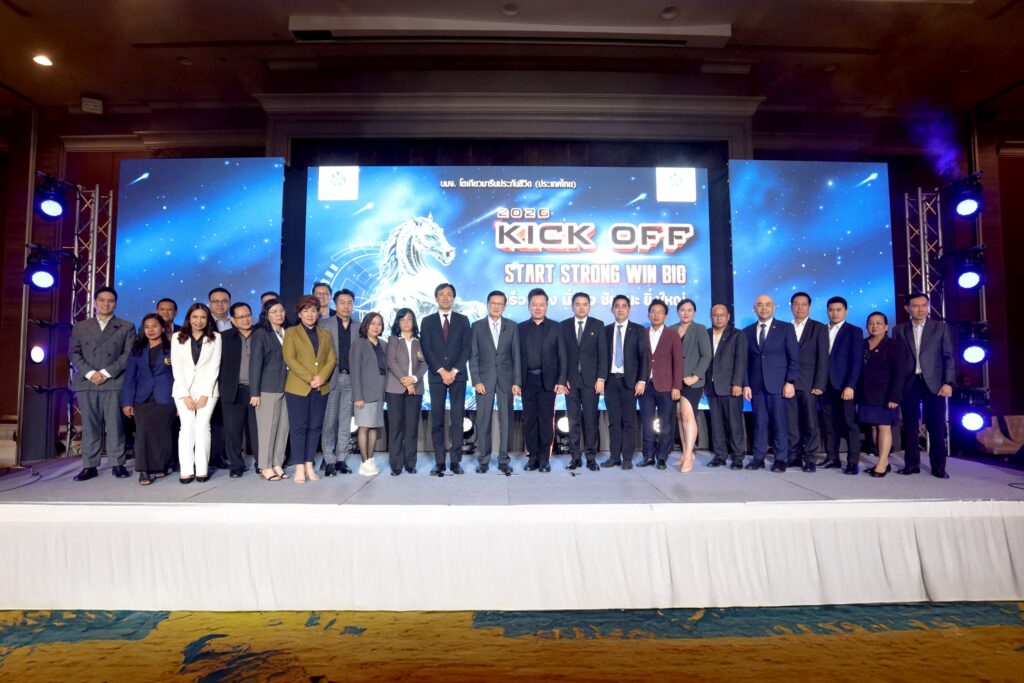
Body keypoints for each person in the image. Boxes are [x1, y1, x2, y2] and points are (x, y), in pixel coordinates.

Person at [69, 286, 135, 481]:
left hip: (113, 381)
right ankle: (89, 465)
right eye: (102, 300)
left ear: (116, 303)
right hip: (87, 381)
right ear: (95, 303)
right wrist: (91, 373)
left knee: (115, 425)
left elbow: (128, 355)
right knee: (90, 425)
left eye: (111, 301)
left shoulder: (126, 326)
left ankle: (117, 464)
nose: (106, 304)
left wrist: (105, 373)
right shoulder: (80, 326)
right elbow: (74, 353)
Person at [893, 292, 955, 478]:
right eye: (915, 306)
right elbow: (897, 360)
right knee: (910, 426)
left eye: (923, 305)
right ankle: (912, 465)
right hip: (909, 382)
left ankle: (939, 467)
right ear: (907, 308)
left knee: (936, 426)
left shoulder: (940, 327)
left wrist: (948, 382)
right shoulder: (899, 330)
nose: (920, 309)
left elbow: (948, 357)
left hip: (934, 383)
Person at [419, 283, 472, 476]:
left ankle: (456, 461)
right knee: (438, 420)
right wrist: (442, 371)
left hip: (458, 376)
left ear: (453, 298)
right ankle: (440, 461)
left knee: (458, 419)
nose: (445, 297)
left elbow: (467, 347)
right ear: (436, 298)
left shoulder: (463, 320)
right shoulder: (427, 321)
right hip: (436, 376)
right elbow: (426, 348)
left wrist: (454, 371)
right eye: (441, 294)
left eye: (449, 294)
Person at [742, 294, 799, 472]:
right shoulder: (747, 331)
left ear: (774, 307)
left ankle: (780, 458)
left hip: (779, 385)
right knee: (759, 423)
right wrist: (746, 384)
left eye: (767, 304)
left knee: (779, 423)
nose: (764, 308)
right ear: (754, 308)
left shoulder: (785, 328)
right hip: (756, 386)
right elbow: (744, 361)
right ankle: (758, 457)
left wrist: (790, 381)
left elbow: (794, 357)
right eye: (760, 305)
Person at [283, 295, 336, 483]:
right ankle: (299, 467)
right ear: (299, 314)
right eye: (305, 311)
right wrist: (310, 378)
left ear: (318, 313)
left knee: (315, 427)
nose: (310, 314)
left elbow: (331, 359)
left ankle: (309, 464)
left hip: (321, 388)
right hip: (298, 387)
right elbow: (290, 359)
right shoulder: (291, 333)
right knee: (299, 428)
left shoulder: (325, 334)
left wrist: (321, 377)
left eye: (313, 311)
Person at [468, 291, 521, 474]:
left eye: (500, 304)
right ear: (487, 304)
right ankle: (483, 460)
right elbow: (473, 356)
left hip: (506, 380)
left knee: (506, 421)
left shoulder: (512, 326)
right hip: (484, 381)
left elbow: (516, 356)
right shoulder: (477, 326)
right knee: (483, 421)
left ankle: (504, 460)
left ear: (504, 307)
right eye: (493, 303)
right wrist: (476, 380)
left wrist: (517, 382)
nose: (496, 307)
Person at [120, 313, 174, 485]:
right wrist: (127, 402)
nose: (150, 330)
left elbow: (180, 376)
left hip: (166, 396)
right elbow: (129, 378)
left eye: (154, 326)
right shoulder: (137, 350)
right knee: (142, 432)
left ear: (163, 328)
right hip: (142, 398)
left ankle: (160, 466)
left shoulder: (173, 348)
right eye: (146, 327)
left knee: (162, 433)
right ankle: (143, 470)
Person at [518, 288, 568, 473]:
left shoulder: (557, 327)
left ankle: (544, 458)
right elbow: (516, 357)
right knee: (529, 420)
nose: (538, 308)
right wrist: (516, 381)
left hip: (548, 382)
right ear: (528, 306)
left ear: (546, 306)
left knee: (546, 421)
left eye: (541, 305)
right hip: (527, 380)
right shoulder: (520, 328)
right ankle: (532, 457)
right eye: (534, 305)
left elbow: (563, 356)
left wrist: (561, 380)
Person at [170, 303, 222, 483]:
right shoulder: (177, 337)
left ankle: (202, 469)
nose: (198, 321)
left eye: (203, 317)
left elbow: (215, 366)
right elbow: (177, 367)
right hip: (183, 390)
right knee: (187, 427)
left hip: (208, 390)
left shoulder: (216, 337)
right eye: (195, 317)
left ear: (208, 319)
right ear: (188, 318)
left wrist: (205, 393)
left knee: (202, 426)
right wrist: (185, 394)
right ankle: (186, 470)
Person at [560, 292, 608, 471]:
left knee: (590, 420)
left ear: (589, 306)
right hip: (570, 381)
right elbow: (560, 355)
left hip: (591, 381)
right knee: (573, 421)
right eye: (578, 304)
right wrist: (562, 378)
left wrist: (601, 379)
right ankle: (575, 457)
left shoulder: (598, 325)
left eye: (585, 304)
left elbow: (603, 354)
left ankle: (591, 458)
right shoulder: (563, 326)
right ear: (572, 306)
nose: (581, 307)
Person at [859, 312, 908, 477]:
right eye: (871, 323)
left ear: (886, 327)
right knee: (873, 426)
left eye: (878, 323)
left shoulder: (895, 345)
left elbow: (900, 373)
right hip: (866, 393)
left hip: (886, 394)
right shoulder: (863, 344)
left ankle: (881, 463)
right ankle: (883, 461)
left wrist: (895, 396)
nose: (874, 326)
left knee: (883, 426)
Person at [602, 295, 648, 470]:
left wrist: (642, 380)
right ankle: (614, 457)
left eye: (624, 306)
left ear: (629, 309)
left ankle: (627, 458)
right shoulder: (605, 330)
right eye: (617, 306)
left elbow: (644, 357)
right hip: (611, 382)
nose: (620, 309)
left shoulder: (638, 330)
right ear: (612, 309)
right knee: (614, 422)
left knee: (629, 422)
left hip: (630, 382)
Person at [819, 296, 865, 474]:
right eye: (831, 310)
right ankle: (833, 457)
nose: (834, 313)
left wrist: (851, 385)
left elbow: (856, 361)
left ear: (845, 311)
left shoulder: (854, 331)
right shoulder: (821, 330)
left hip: (845, 385)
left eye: (838, 310)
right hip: (825, 385)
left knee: (849, 423)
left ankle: (853, 461)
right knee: (829, 424)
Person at [787, 292, 828, 472]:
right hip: (788, 384)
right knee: (791, 422)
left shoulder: (818, 328)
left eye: (803, 304)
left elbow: (823, 358)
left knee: (810, 423)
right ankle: (794, 456)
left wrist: (819, 384)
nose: (800, 308)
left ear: (809, 307)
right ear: (791, 306)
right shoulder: (785, 327)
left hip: (810, 384)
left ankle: (810, 458)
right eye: (796, 304)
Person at [249, 299, 290, 481]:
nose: (279, 314)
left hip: (288, 386)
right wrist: (254, 392)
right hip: (268, 387)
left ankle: (277, 463)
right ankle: (265, 466)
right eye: (274, 311)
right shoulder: (261, 334)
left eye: (281, 310)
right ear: (266, 315)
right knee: (268, 429)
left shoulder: (288, 332)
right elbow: (255, 364)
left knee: (283, 428)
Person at [639, 299, 683, 470]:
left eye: (660, 312)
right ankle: (648, 456)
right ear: (648, 314)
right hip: (645, 386)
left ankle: (663, 456)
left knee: (666, 424)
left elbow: (678, 363)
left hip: (666, 386)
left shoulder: (672, 335)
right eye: (653, 312)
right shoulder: (642, 333)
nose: (656, 315)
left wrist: (676, 386)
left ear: (666, 315)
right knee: (647, 422)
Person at [669, 298, 712, 473]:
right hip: (675, 380)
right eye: (682, 310)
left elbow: (706, 356)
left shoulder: (700, 329)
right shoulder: (671, 329)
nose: (685, 313)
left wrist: (696, 376)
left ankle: (688, 455)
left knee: (688, 415)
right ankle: (686, 453)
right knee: (680, 415)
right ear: (678, 312)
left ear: (694, 312)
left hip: (692, 381)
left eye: (689, 310)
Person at [320, 288, 359, 475]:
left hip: (351, 379)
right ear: (335, 305)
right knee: (329, 422)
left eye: (350, 302)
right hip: (331, 379)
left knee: (345, 422)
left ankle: (342, 459)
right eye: (342, 302)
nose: (346, 306)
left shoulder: (359, 327)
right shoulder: (324, 324)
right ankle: (329, 459)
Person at [705, 305, 748, 469]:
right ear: (711, 317)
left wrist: (737, 383)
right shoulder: (706, 334)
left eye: (722, 315)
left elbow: (741, 360)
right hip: (711, 387)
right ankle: (720, 456)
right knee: (716, 425)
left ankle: (738, 457)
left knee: (734, 424)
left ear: (728, 317)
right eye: (715, 315)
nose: (718, 318)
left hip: (730, 387)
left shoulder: (737, 335)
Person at [219, 302, 258, 478]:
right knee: (233, 431)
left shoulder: (261, 334)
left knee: (257, 430)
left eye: (248, 315)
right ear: (233, 320)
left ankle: (261, 462)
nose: (246, 319)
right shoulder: (223, 338)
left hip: (256, 391)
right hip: (232, 390)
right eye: (241, 317)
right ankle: (236, 465)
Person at [385, 309, 426, 475]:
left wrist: (413, 379)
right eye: (403, 319)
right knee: (395, 427)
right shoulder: (393, 340)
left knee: (411, 428)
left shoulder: (420, 341)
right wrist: (406, 381)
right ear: (398, 323)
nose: (406, 322)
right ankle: (396, 466)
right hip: (395, 389)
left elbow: (424, 363)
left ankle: (410, 463)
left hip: (415, 389)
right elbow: (391, 362)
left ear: (414, 321)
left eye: (409, 319)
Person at [351, 312, 388, 476]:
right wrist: (358, 396)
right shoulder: (359, 343)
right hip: (364, 394)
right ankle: (364, 461)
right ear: (365, 325)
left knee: (374, 426)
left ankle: (370, 458)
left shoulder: (383, 344)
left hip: (379, 393)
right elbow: (355, 371)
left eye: (379, 324)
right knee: (364, 427)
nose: (376, 327)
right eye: (372, 323)